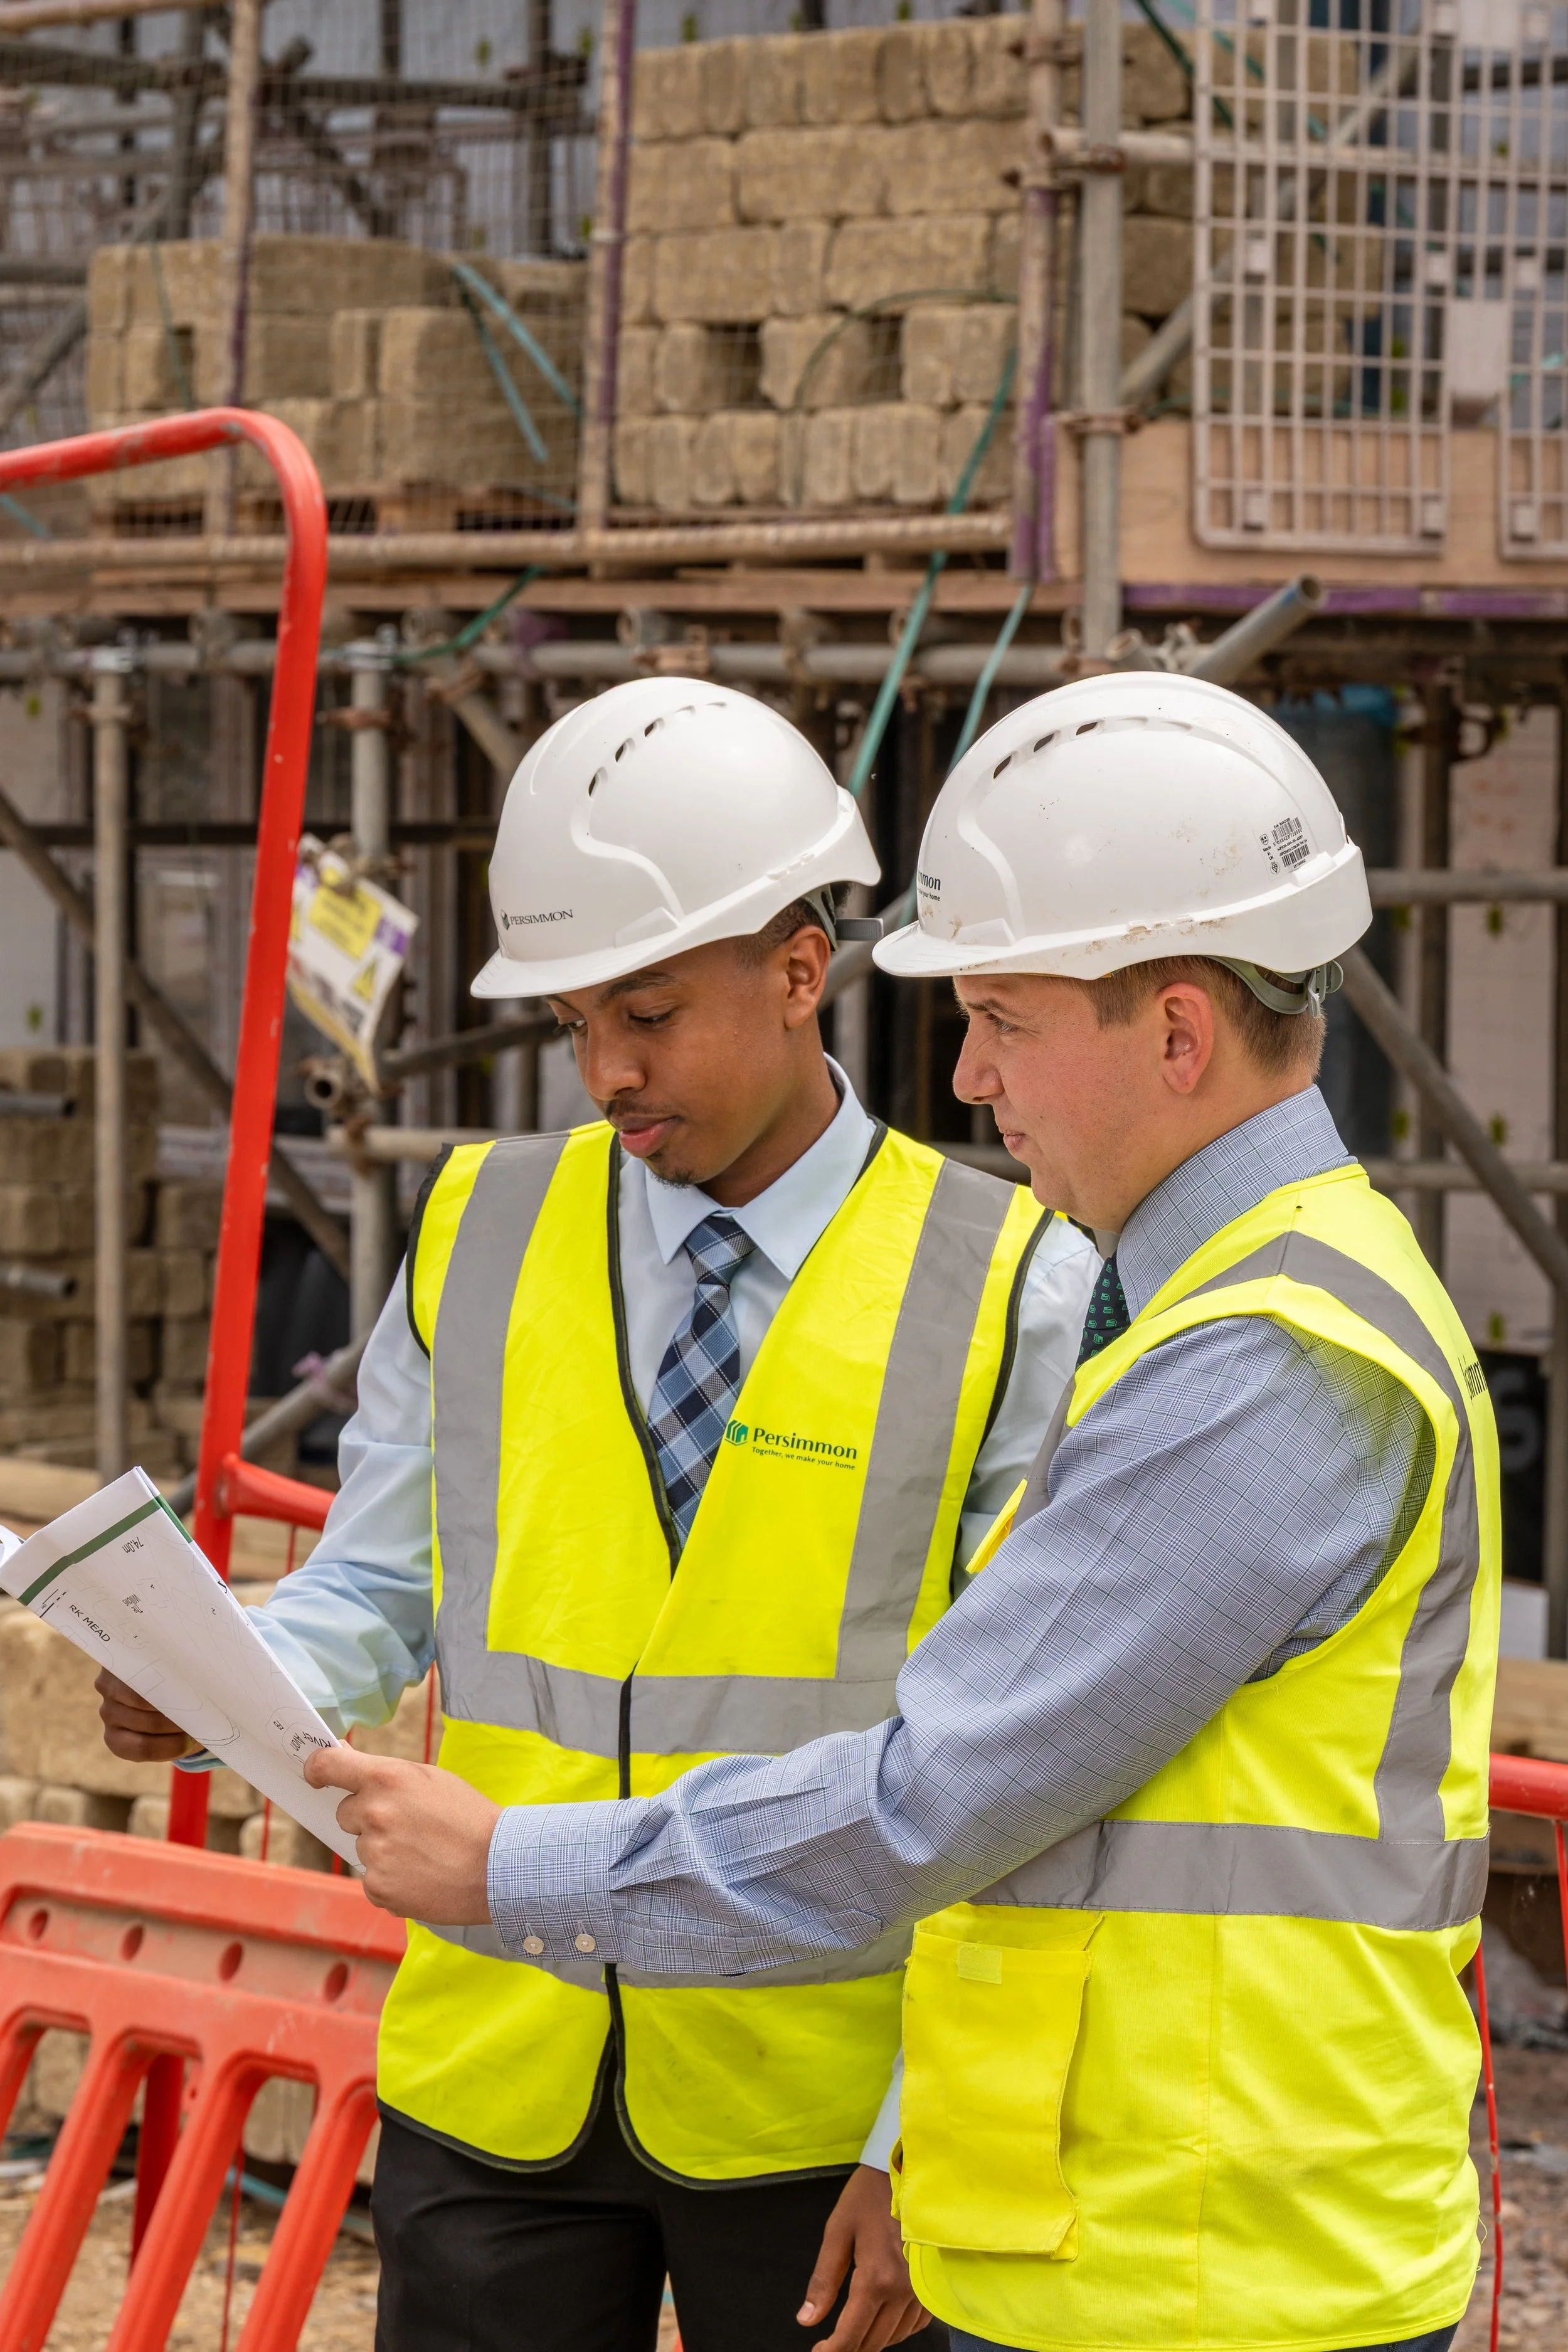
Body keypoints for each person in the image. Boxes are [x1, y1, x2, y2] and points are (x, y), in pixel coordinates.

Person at [300, 671, 1500, 2352]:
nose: (968, 1072)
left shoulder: (1259, 1367)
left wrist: (518, 1866)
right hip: (1117, 2233)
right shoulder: (1227, 1311)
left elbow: (942, 1789)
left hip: (1203, 2263)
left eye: (1001, 1017)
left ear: (1172, 1028)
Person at [98, 677, 1098, 2352]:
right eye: (574, 1022)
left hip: (815, 2102)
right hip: (501, 2064)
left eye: (645, 1011)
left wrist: (919, 2134)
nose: (606, 1069)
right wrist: (219, 1675)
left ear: (799, 968)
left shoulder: (1010, 1288)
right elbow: (371, 1592)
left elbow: (1029, 1765)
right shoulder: (478, 1228)